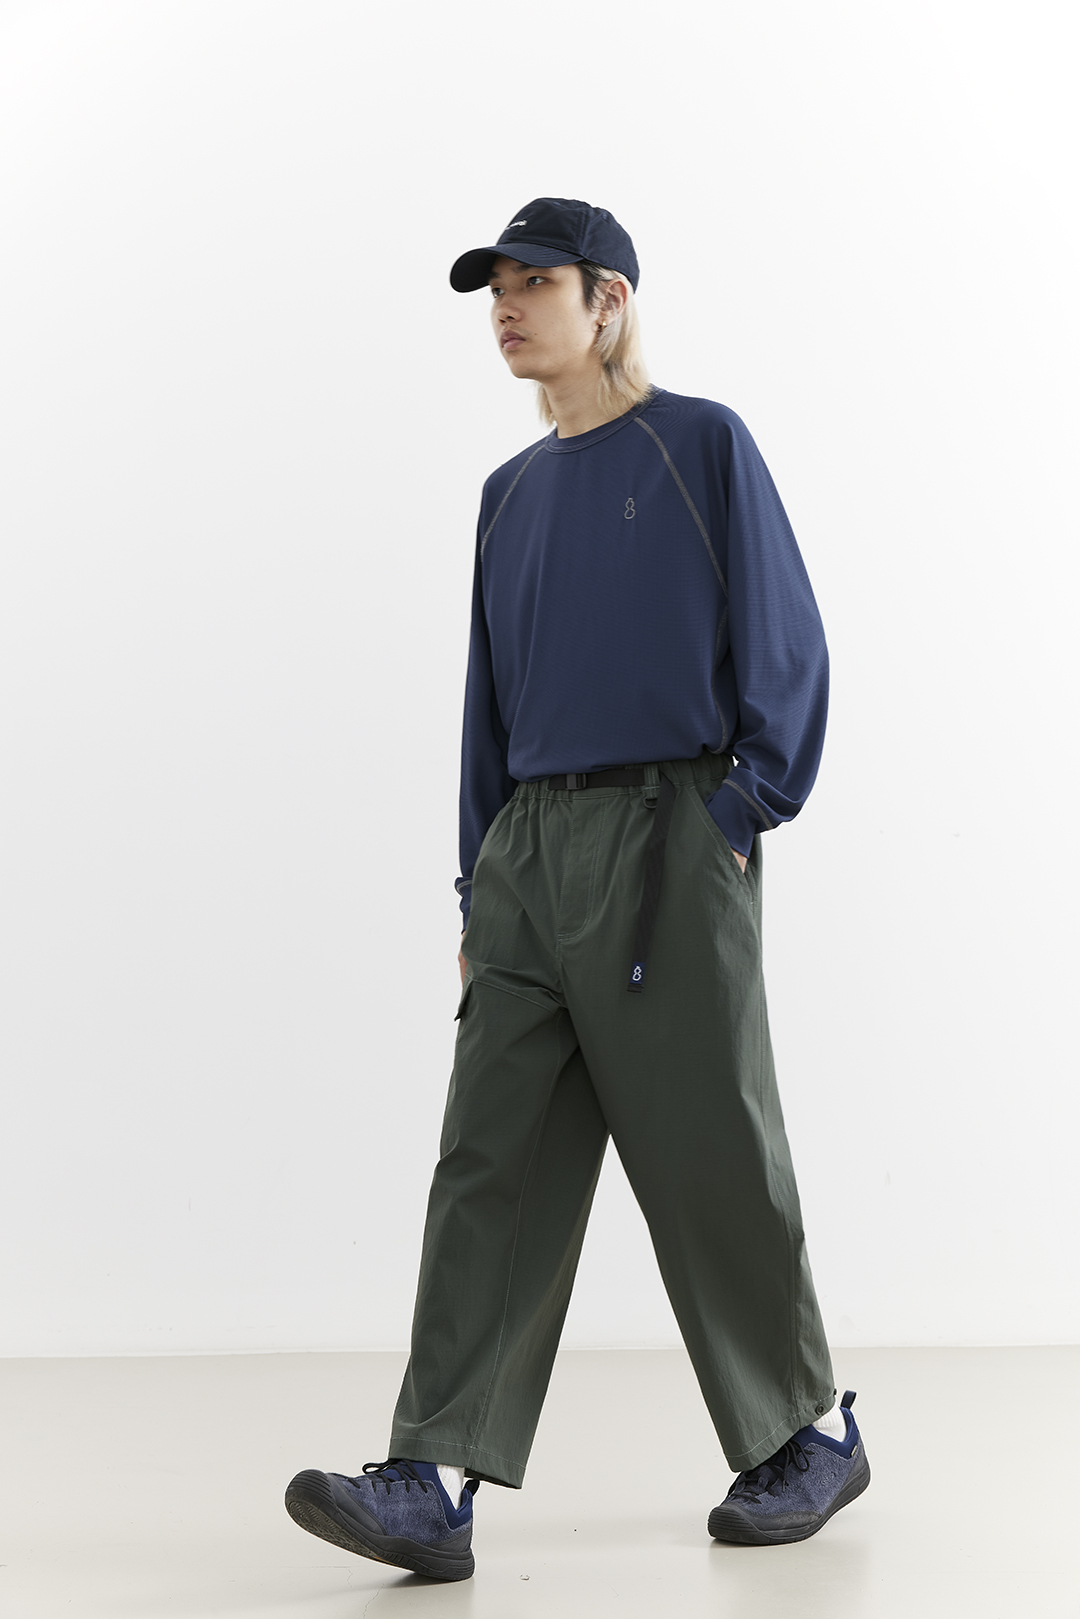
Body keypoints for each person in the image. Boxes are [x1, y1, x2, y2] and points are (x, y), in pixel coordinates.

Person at [284, 197, 870, 1581]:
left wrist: (740, 811)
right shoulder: (508, 497)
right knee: (488, 1156)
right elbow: (487, 710)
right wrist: (477, 892)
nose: (506, 306)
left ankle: (808, 1435)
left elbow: (787, 638)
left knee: (708, 1143)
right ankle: (431, 1477)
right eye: (494, 287)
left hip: (672, 834)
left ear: (608, 301)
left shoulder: (701, 445)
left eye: (533, 282)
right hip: (528, 859)